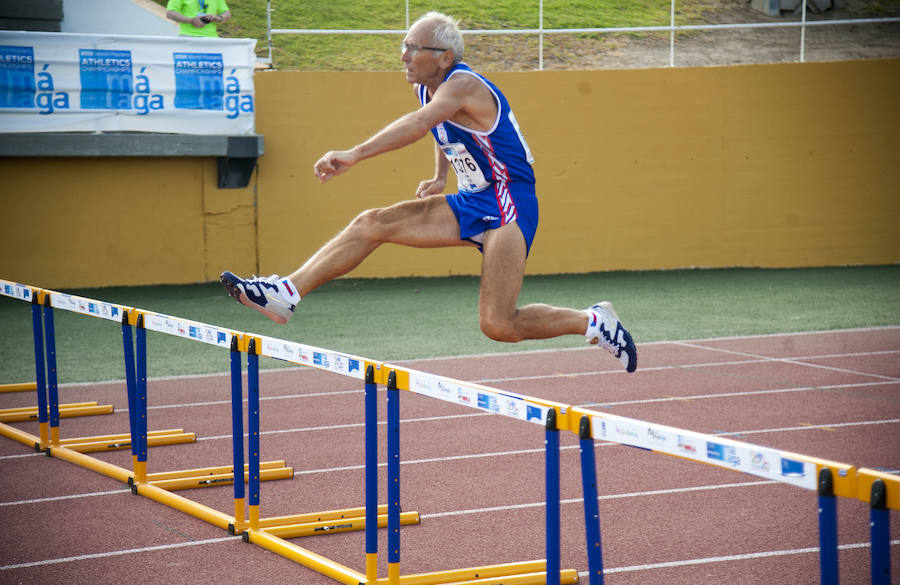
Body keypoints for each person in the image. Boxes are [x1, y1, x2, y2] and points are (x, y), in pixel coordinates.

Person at [220, 11, 637, 372]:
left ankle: (593, 322)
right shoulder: (428, 86)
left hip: (509, 202)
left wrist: (355, 154)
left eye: (412, 48)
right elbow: (444, 130)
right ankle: (286, 294)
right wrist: (440, 177)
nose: (403, 55)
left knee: (498, 325)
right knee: (371, 223)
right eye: (403, 46)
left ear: (445, 57)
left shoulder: (465, 85)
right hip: (473, 200)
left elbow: (420, 124)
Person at [166, 0, 231, 38]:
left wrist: (219, 18)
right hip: (188, 37)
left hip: (211, 38)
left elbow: (227, 13)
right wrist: (191, 21)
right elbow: (170, 13)